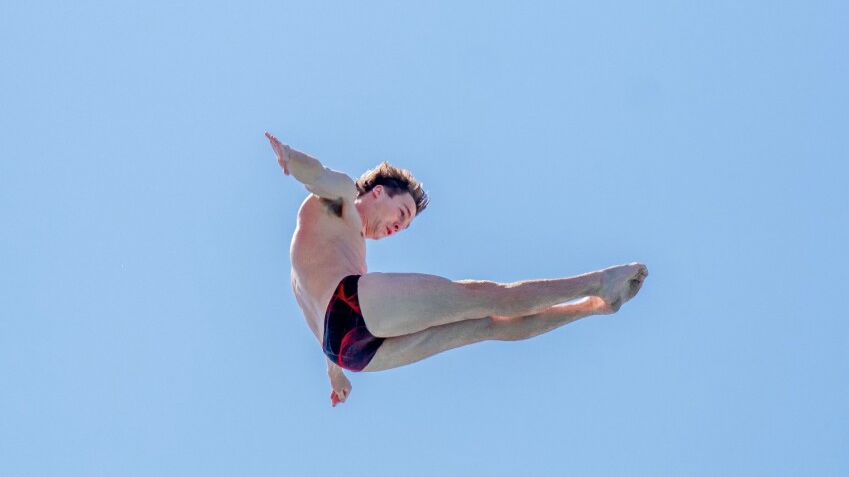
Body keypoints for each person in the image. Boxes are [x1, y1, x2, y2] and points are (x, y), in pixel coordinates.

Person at [265, 132, 648, 406]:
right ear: (377, 192)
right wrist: (290, 157)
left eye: (405, 225)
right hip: (351, 311)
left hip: (347, 351)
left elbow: (316, 312)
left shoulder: (340, 248)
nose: (399, 227)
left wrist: (335, 374)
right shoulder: (343, 198)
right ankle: (599, 281)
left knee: (486, 327)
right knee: (481, 296)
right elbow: (318, 174)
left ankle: (594, 306)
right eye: (402, 214)